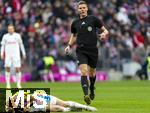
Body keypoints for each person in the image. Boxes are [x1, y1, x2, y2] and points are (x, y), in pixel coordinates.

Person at [65, 1, 109, 105]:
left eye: (84, 8)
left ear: (87, 8)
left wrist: (103, 34)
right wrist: (69, 45)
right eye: (80, 8)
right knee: (84, 72)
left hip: (93, 50)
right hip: (81, 50)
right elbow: (74, 35)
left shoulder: (93, 19)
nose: (82, 9)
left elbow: (106, 31)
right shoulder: (75, 23)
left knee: (92, 73)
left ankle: (92, 88)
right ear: (78, 10)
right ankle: (86, 95)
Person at [5, 91, 97, 112]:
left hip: (38, 97)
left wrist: (28, 106)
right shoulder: (10, 107)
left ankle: (85, 107)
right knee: (48, 109)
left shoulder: (18, 96)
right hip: (34, 106)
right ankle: (69, 110)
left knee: (63, 103)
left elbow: (32, 98)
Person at [0, 24, 26, 88]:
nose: (10, 30)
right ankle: (8, 84)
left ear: (13, 29)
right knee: (7, 68)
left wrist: (23, 53)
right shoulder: (5, 36)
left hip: (16, 55)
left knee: (17, 69)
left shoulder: (17, 36)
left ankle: (18, 84)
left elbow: (21, 45)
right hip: (8, 55)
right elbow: (2, 46)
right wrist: (1, 53)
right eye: (9, 29)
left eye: (11, 29)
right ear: (8, 30)